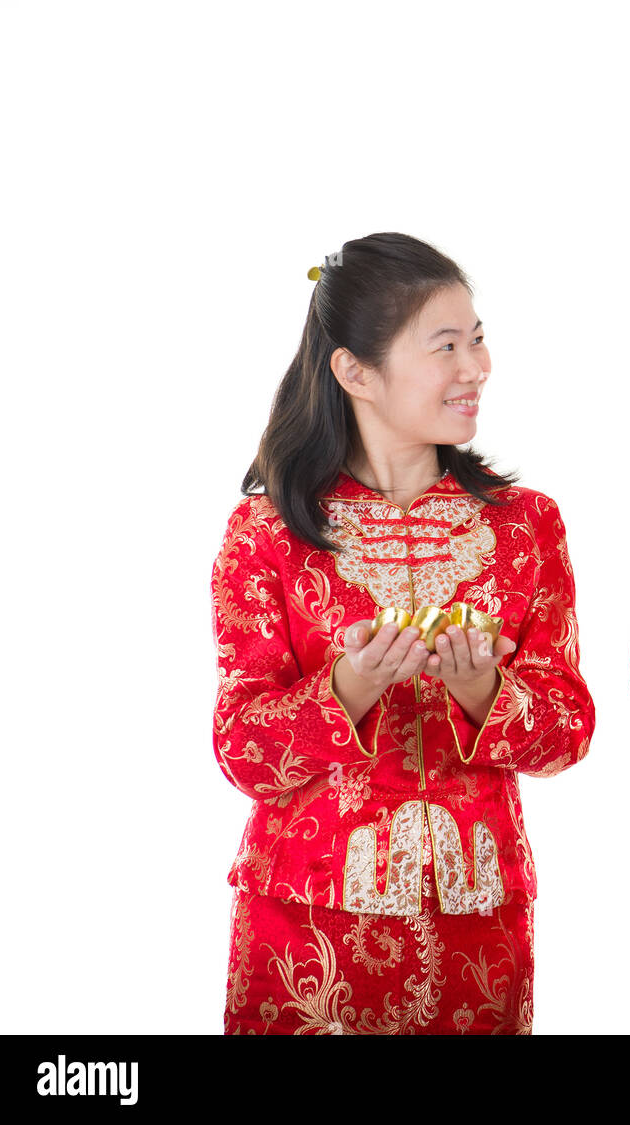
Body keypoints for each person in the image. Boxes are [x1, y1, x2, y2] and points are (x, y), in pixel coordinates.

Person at [211, 232, 594, 1034]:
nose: (477, 368)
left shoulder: (527, 527)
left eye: (479, 340)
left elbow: (568, 732)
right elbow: (241, 746)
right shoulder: (267, 532)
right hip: (307, 923)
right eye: (446, 345)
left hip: (476, 924)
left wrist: (482, 690)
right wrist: (348, 689)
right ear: (354, 371)